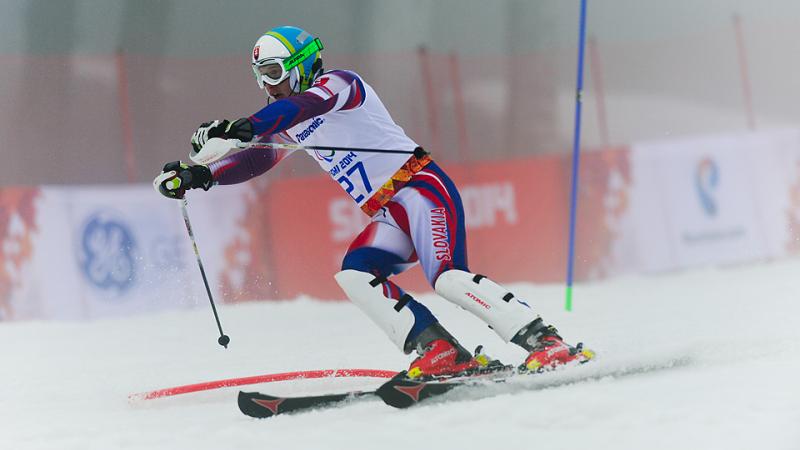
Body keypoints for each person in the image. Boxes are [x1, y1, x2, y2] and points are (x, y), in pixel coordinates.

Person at [154, 25, 593, 378]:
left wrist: (240, 126)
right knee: (356, 275)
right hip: (389, 211)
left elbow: (297, 109)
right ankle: (438, 349)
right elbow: (261, 156)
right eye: (261, 78)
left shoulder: (339, 85)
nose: (268, 87)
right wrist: (200, 176)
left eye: (273, 74)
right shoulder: (289, 114)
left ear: (300, 66)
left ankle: (544, 340)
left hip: (421, 190)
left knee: (448, 279)